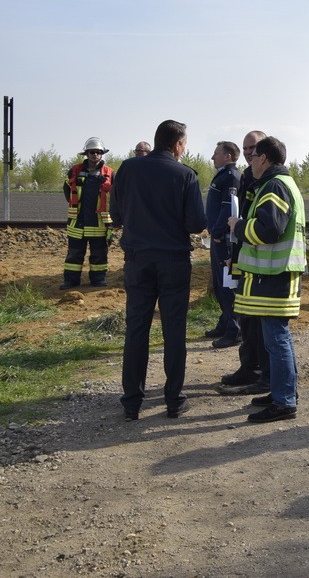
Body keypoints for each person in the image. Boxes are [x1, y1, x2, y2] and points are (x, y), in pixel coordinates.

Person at [110, 120, 207, 420]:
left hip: (138, 260)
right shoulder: (186, 175)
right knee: (173, 331)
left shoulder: (127, 169)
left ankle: (131, 404)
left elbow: (115, 216)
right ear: (177, 145)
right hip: (173, 262)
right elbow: (196, 224)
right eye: (185, 144)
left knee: (136, 329)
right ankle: (174, 401)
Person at [227, 135, 306, 423]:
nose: (250, 162)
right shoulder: (278, 183)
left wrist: (238, 226)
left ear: (264, 158)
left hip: (275, 276)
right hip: (275, 274)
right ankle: (282, 393)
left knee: (277, 338)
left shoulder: (274, 185)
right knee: (276, 338)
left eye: (253, 156)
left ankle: (284, 402)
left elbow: (268, 230)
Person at [218, 130, 271, 394]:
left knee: (259, 320)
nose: (249, 152)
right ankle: (248, 367)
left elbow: (263, 225)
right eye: (245, 148)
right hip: (245, 257)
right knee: (245, 316)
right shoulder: (248, 177)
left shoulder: (269, 181)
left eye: (253, 148)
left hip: (262, 264)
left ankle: (262, 372)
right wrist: (233, 254)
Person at [61, 137, 115, 289]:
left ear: (102, 154)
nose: (95, 155)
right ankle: (71, 281)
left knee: (99, 254)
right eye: (92, 152)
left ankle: (98, 280)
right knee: (74, 254)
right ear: (86, 153)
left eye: (98, 152)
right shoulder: (75, 170)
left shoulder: (110, 173)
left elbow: (116, 196)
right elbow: (67, 190)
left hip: (99, 222)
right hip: (78, 221)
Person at [205, 141, 242, 349]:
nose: (212, 157)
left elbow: (229, 208)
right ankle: (225, 321)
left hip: (225, 240)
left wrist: (218, 232)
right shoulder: (223, 175)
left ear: (228, 156)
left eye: (216, 153)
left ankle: (234, 330)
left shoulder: (231, 177)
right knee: (220, 284)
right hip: (218, 238)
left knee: (228, 286)